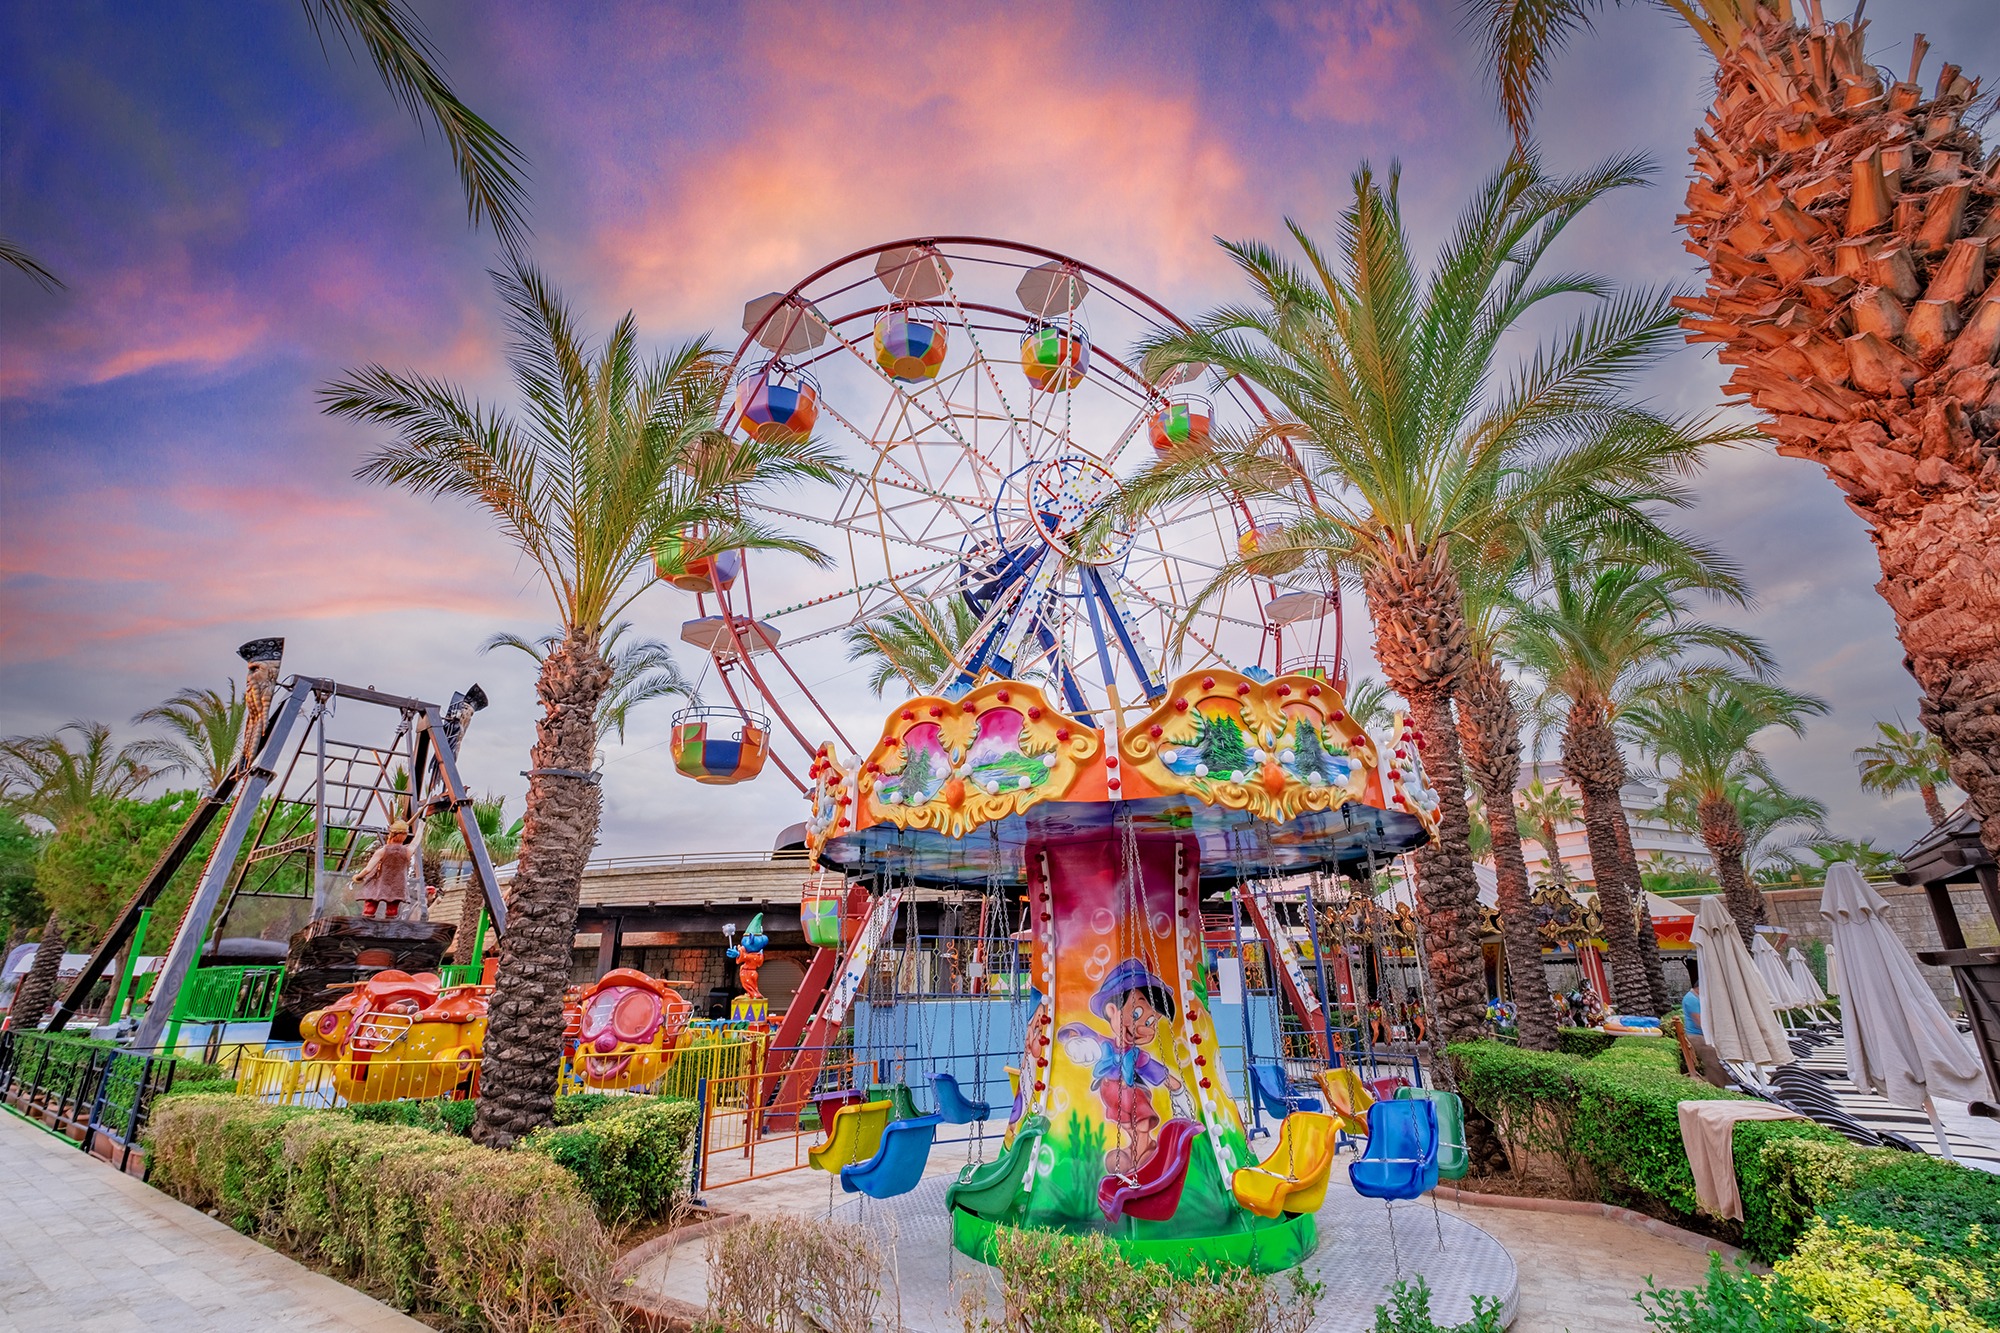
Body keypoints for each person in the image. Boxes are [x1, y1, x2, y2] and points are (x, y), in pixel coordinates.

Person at [1056, 959, 1185, 1175]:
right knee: (1126, 1124)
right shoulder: (1105, 1046)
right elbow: (1077, 1030)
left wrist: (1179, 1090)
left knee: (1141, 1122)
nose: (1144, 1028)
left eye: (1151, 1022)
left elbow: (1156, 1071)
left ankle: (1143, 1152)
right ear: (1111, 1009)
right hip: (1113, 1096)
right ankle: (1136, 1150)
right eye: (1136, 1014)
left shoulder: (1136, 1055)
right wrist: (1076, 1042)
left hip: (1134, 1093)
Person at [352, 819, 420, 920]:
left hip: (379, 885)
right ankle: (389, 928)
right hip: (397, 886)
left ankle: (367, 923)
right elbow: (416, 841)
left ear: (391, 834)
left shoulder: (382, 851)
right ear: (405, 836)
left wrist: (358, 877)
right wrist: (422, 825)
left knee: (370, 907)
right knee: (392, 911)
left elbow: (368, 869)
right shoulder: (407, 851)